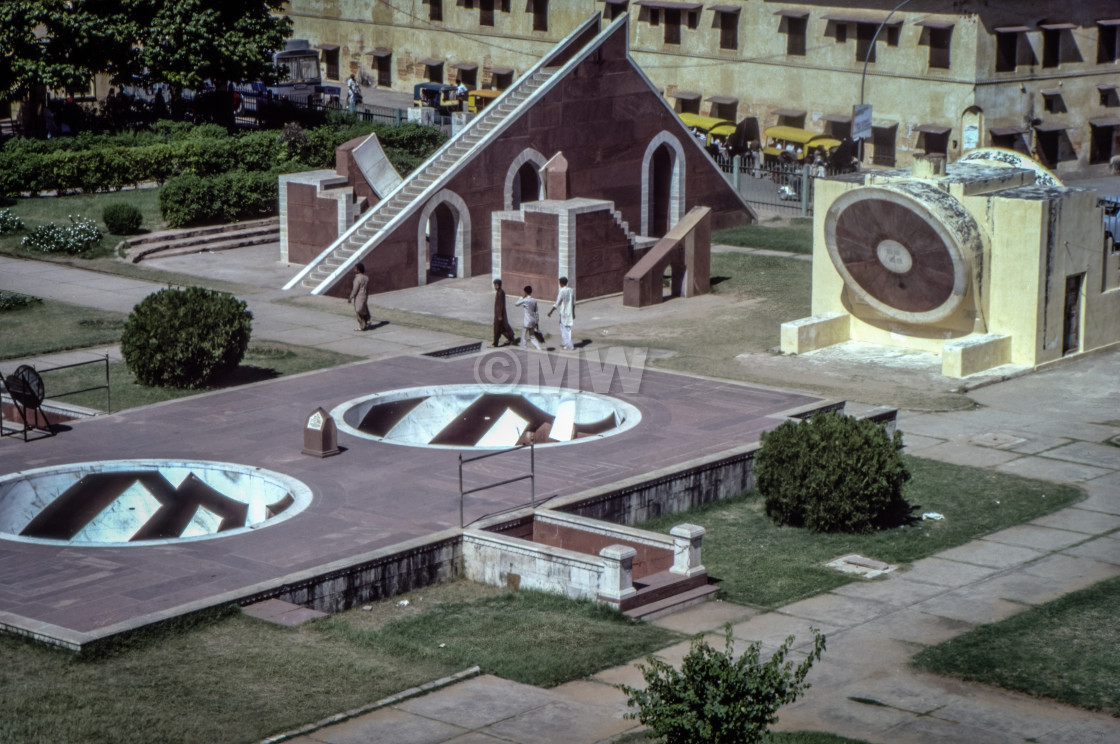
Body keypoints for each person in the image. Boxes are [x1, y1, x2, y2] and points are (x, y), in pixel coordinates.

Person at [547, 276, 575, 351]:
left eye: (559, 282)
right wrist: (574, 313)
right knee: (567, 328)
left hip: (564, 312)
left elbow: (557, 303)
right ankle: (565, 344)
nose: (559, 284)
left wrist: (550, 312)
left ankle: (569, 345)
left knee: (564, 329)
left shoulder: (562, 291)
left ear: (561, 283)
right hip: (570, 312)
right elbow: (573, 303)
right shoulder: (571, 290)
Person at [515, 286, 543, 350]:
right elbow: (536, 312)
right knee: (532, 336)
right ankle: (538, 348)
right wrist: (536, 321)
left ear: (525, 292)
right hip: (533, 320)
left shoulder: (525, 300)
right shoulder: (534, 301)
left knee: (523, 335)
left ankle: (524, 347)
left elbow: (516, 304)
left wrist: (521, 298)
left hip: (527, 320)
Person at [491, 279, 516, 347]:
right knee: (502, 329)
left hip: (499, 315)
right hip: (499, 314)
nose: (495, 286)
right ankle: (511, 339)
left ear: (499, 285)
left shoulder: (500, 292)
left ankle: (495, 343)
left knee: (497, 329)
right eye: (495, 285)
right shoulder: (499, 292)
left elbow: (501, 304)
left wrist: (499, 315)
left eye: (497, 285)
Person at [349, 263, 371, 331]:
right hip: (365, 296)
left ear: (358, 270)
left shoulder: (357, 279)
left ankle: (362, 326)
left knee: (358, 311)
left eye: (355, 268)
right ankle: (366, 322)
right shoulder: (366, 278)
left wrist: (351, 297)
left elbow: (355, 289)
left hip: (359, 296)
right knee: (363, 309)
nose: (354, 269)